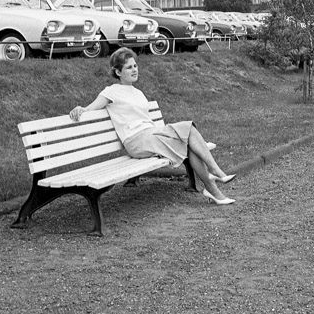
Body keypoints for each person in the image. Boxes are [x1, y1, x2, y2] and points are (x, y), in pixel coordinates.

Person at [69, 47, 236, 205]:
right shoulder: (111, 91)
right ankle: (214, 176)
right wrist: (81, 109)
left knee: (189, 131)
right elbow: (91, 108)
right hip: (136, 141)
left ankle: (213, 187)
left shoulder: (138, 93)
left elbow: (146, 121)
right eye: (129, 67)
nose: (134, 70)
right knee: (188, 135)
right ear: (118, 72)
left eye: (135, 65)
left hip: (150, 135)